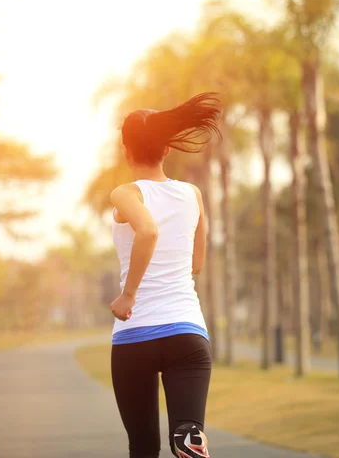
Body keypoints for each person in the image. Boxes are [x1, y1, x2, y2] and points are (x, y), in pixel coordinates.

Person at [110, 92, 222, 458]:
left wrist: (129, 295)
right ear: (167, 150)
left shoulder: (126, 194)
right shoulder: (193, 194)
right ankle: (189, 441)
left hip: (134, 336)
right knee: (188, 437)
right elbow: (196, 264)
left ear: (126, 150)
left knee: (143, 447)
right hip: (187, 333)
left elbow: (147, 231)